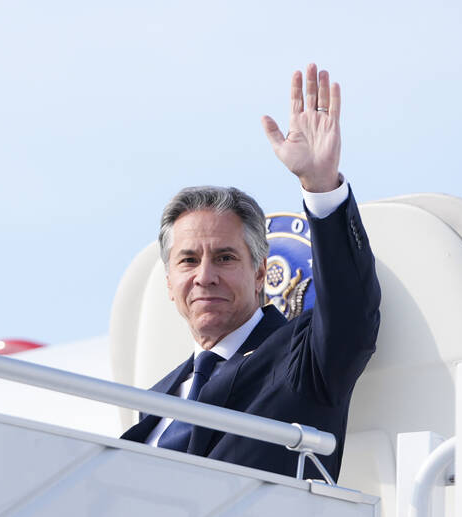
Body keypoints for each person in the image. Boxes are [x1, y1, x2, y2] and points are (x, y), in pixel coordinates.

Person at [121, 63, 380, 481]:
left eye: (224, 258)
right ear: (169, 283)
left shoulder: (299, 357)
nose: (205, 276)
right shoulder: (158, 397)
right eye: (188, 260)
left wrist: (321, 185)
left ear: (260, 273)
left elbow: (351, 314)